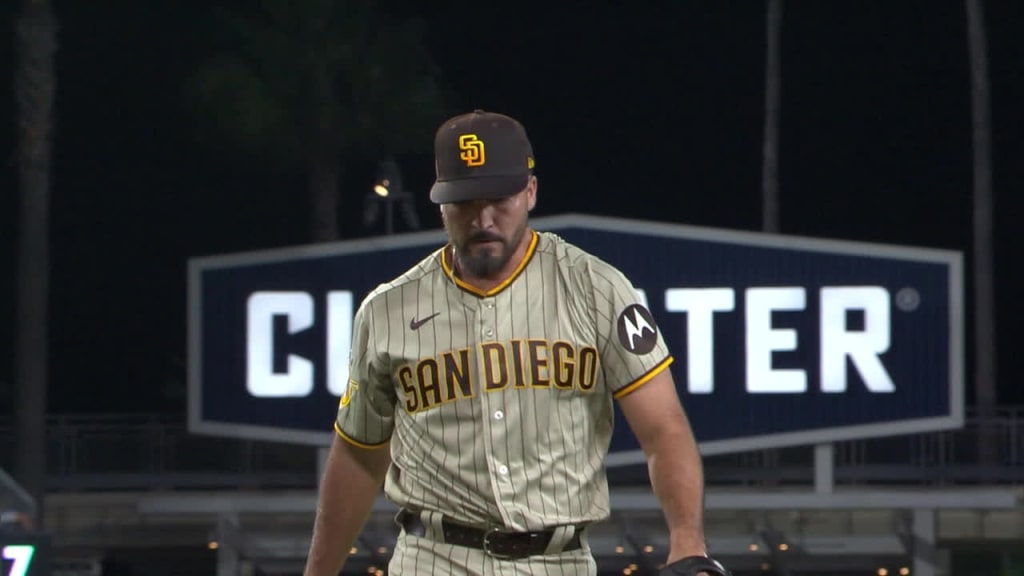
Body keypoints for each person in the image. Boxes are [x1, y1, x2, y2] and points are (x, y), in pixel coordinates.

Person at [303, 110, 718, 576]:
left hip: (558, 560)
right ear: (440, 203)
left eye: (499, 198)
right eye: (464, 201)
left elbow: (664, 429)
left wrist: (688, 544)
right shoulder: (386, 312)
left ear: (530, 191)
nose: (483, 218)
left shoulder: (595, 288)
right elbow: (359, 455)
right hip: (433, 556)